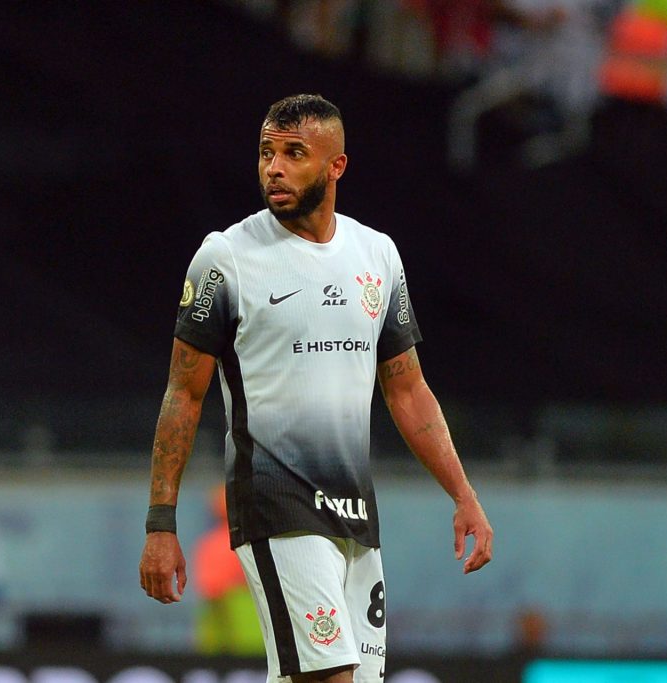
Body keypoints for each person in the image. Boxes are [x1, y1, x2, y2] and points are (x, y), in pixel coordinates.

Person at [139, 95, 493, 683]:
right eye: (266, 153)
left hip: (355, 517)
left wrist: (463, 493)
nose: (273, 167)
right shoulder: (224, 258)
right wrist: (160, 524)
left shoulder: (376, 254)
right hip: (278, 509)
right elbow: (184, 394)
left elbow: (407, 390)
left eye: (294, 154)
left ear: (336, 167)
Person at [192, 485, 265, 655]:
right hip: (255, 634)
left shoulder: (210, 544)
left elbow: (211, 591)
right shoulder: (258, 540)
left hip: (222, 638)